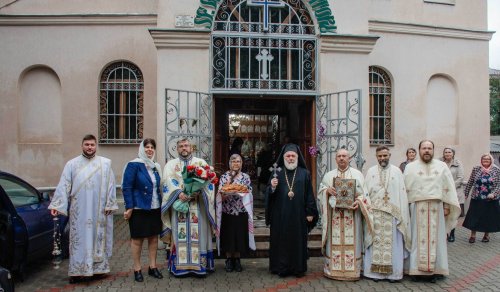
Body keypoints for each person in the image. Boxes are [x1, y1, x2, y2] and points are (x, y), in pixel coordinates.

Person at [49, 134, 118, 284]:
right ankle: (77, 271)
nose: (89, 147)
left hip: (99, 210)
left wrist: (110, 204)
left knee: (97, 238)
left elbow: (111, 185)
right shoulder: (72, 164)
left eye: (92, 144)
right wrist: (57, 205)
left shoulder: (105, 164)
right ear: (82, 145)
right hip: (79, 211)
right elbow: (64, 184)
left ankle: (98, 270)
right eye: (87, 144)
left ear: (96, 146)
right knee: (79, 240)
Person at [404, 140, 460, 283]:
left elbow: (448, 187)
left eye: (429, 148)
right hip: (417, 207)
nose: (427, 151)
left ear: (433, 150)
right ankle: (416, 271)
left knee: (438, 240)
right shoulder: (410, 167)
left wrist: (447, 206)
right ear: (419, 150)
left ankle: (437, 270)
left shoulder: (441, 166)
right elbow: (404, 189)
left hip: (437, 206)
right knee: (416, 239)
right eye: (424, 148)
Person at [160, 138, 217, 276]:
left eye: (186, 146)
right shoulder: (170, 165)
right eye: (181, 146)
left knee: (199, 235)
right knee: (179, 236)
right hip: (179, 207)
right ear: (177, 149)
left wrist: (198, 191)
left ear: (192, 148)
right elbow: (165, 184)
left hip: (198, 207)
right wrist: (179, 193)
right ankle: (180, 267)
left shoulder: (201, 163)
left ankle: (199, 266)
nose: (184, 148)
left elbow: (209, 184)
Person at [318, 148, 373, 281]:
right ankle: (333, 270)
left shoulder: (357, 175)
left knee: (353, 241)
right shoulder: (329, 175)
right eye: (339, 156)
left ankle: (353, 271)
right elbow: (321, 191)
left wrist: (358, 202)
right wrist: (327, 191)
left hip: (353, 216)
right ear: (336, 159)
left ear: (349, 158)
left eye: (344, 156)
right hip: (334, 216)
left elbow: (364, 195)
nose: (342, 158)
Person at [265, 144, 318, 277]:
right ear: (283, 157)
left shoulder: (304, 173)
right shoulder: (276, 172)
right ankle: (280, 268)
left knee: (297, 240)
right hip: (280, 214)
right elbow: (268, 193)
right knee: (281, 240)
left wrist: (310, 212)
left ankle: (298, 268)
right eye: (287, 156)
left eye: (292, 156)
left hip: (298, 214)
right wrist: (272, 187)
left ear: (297, 157)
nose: (290, 158)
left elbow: (309, 194)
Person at [363, 146, 411, 283]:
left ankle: (393, 275)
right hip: (375, 215)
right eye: (380, 156)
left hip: (393, 215)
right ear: (376, 157)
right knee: (375, 243)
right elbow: (366, 192)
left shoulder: (397, 171)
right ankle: (375, 274)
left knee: (393, 245)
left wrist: (401, 213)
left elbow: (401, 193)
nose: (382, 158)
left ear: (389, 155)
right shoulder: (371, 171)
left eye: (385, 155)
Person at [122, 139, 163, 282]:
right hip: (139, 207)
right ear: (141, 148)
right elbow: (127, 187)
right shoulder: (134, 165)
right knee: (137, 239)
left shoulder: (156, 166)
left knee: (153, 238)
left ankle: (152, 267)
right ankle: (137, 269)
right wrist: (129, 207)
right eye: (147, 147)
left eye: (152, 147)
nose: (150, 150)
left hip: (155, 207)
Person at [216, 154, 256, 273]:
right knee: (228, 236)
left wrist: (240, 190)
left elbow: (248, 192)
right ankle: (228, 259)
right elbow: (221, 195)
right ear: (230, 163)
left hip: (241, 211)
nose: (236, 163)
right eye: (233, 161)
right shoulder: (224, 177)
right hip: (227, 212)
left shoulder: (246, 177)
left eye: (238, 161)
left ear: (241, 163)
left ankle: (237, 259)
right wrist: (227, 190)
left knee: (239, 236)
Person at [462, 153, 500, 243]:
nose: (485, 161)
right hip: (477, 197)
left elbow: (499, 184)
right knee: (474, 216)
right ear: (481, 160)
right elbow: (470, 181)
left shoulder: (496, 170)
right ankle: (473, 235)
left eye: (488, 159)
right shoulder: (476, 169)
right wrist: (466, 193)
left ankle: (486, 235)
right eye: (484, 159)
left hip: (490, 199)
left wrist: (494, 194)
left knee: (488, 217)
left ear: (491, 160)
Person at [440, 147, 466, 242]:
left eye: (449, 152)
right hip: (441, 192)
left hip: (455, 192)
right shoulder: (439, 163)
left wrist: (450, 187)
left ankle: (452, 233)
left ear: (453, 154)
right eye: (445, 152)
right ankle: (443, 233)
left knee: (453, 214)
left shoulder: (458, 164)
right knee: (443, 214)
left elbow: (460, 178)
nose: (447, 154)